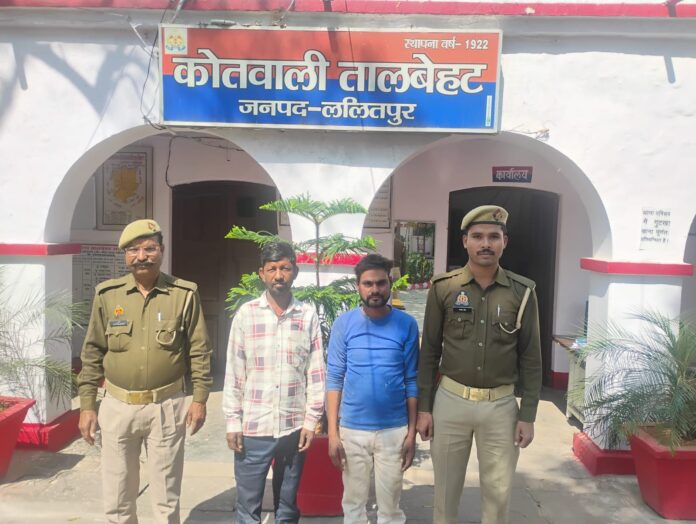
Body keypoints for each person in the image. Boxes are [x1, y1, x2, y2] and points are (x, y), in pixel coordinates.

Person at [77, 219, 213, 524]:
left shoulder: (183, 294)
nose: (142, 256)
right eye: (133, 250)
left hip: (166, 406)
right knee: (117, 498)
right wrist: (87, 405)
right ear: (125, 255)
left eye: (149, 248)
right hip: (117, 406)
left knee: (166, 499)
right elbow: (92, 352)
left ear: (161, 250)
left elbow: (199, 350)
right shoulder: (107, 295)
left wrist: (200, 398)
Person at [416, 205, 542, 524]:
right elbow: (429, 352)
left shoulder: (522, 293)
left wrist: (527, 415)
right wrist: (424, 408)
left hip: (500, 406)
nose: (485, 243)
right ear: (465, 241)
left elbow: (531, 358)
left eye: (493, 236)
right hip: (450, 402)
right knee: (445, 493)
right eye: (477, 236)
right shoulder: (444, 287)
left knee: (498, 496)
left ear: (504, 242)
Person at [223, 241, 325, 524]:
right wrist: (232, 421)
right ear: (262, 273)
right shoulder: (246, 314)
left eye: (284, 268)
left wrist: (311, 421)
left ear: (295, 271)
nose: (278, 275)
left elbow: (316, 372)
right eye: (272, 269)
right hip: (254, 428)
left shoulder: (307, 315)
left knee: (288, 508)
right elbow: (234, 372)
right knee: (248, 508)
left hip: (293, 428)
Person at [326, 254, 419, 523]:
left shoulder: (407, 324)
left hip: (394, 429)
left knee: (390, 509)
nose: (374, 289)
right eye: (368, 284)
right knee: (354, 506)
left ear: (389, 283)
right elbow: (334, 379)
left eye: (380, 283)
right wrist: (332, 434)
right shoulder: (344, 324)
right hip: (352, 429)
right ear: (358, 286)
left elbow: (412, 380)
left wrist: (411, 433)